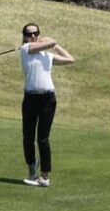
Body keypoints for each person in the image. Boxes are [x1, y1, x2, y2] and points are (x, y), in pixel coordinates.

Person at [19, 23, 75, 187]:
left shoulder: (47, 56)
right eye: (30, 34)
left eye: (36, 33)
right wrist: (49, 42)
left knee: (43, 139)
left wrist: (56, 46)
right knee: (28, 138)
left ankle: (44, 176)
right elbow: (49, 42)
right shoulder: (26, 49)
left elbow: (71, 59)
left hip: (48, 99)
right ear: (24, 37)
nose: (33, 36)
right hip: (30, 98)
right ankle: (31, 170)